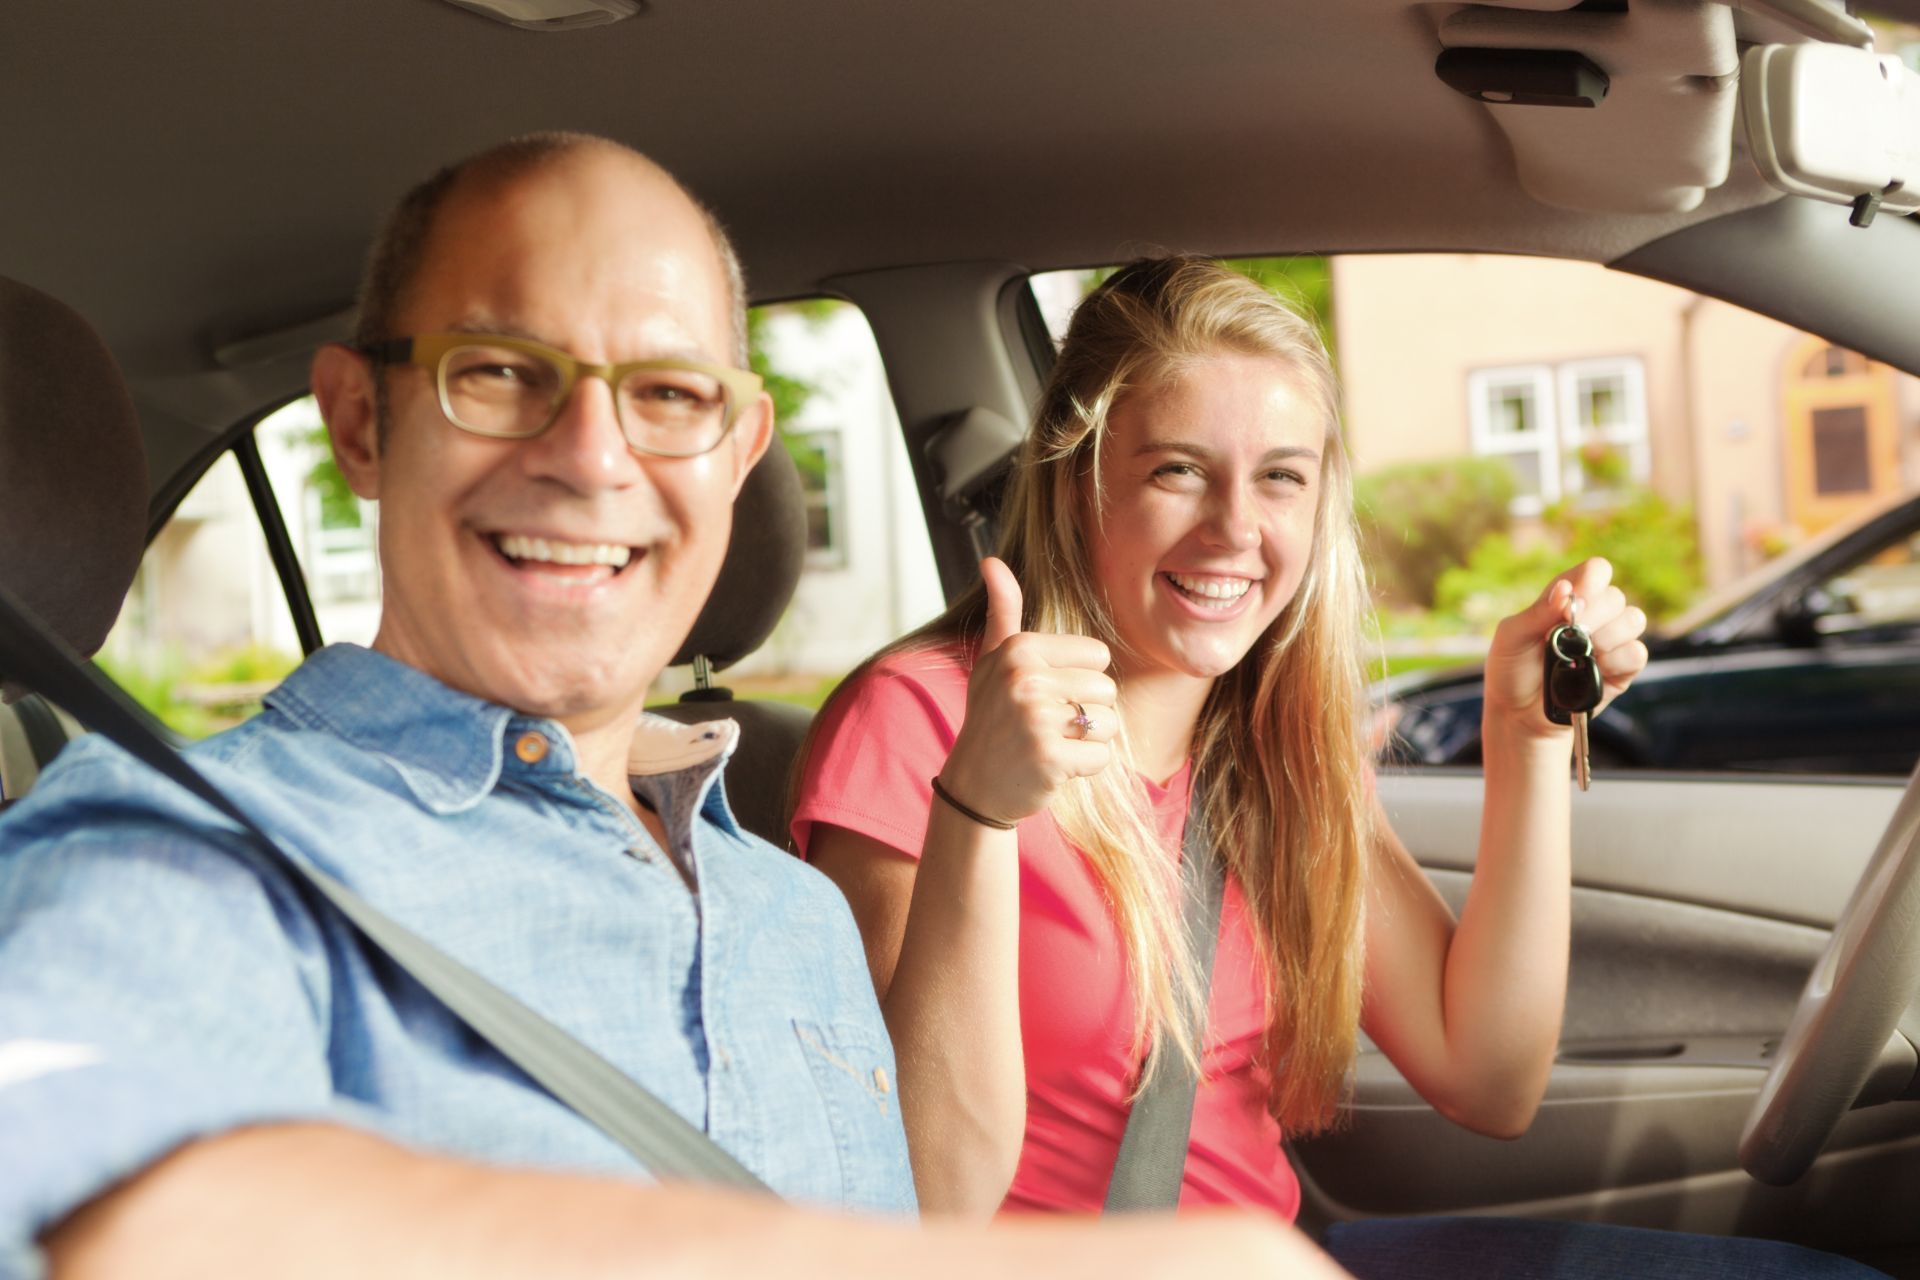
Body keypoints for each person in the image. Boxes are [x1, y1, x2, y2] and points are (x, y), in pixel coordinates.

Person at [0, 147, 1347, 1279]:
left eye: (666, 396)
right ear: (361, 423)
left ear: (742, 448)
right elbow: (82, 1191)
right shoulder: (180, 843)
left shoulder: (790, 917)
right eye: (501, 372)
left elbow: (927, 1203)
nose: (592, 457)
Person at [793, 257, 1883, 1276]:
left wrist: (1529, 740)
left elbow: (1487, 1075)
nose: (1236, 528)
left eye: (1280, 478)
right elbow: (904, 1197)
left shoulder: (1269, 739)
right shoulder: (921, 721)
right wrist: (981, 807)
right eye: (1178, 470)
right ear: (1080, 484)